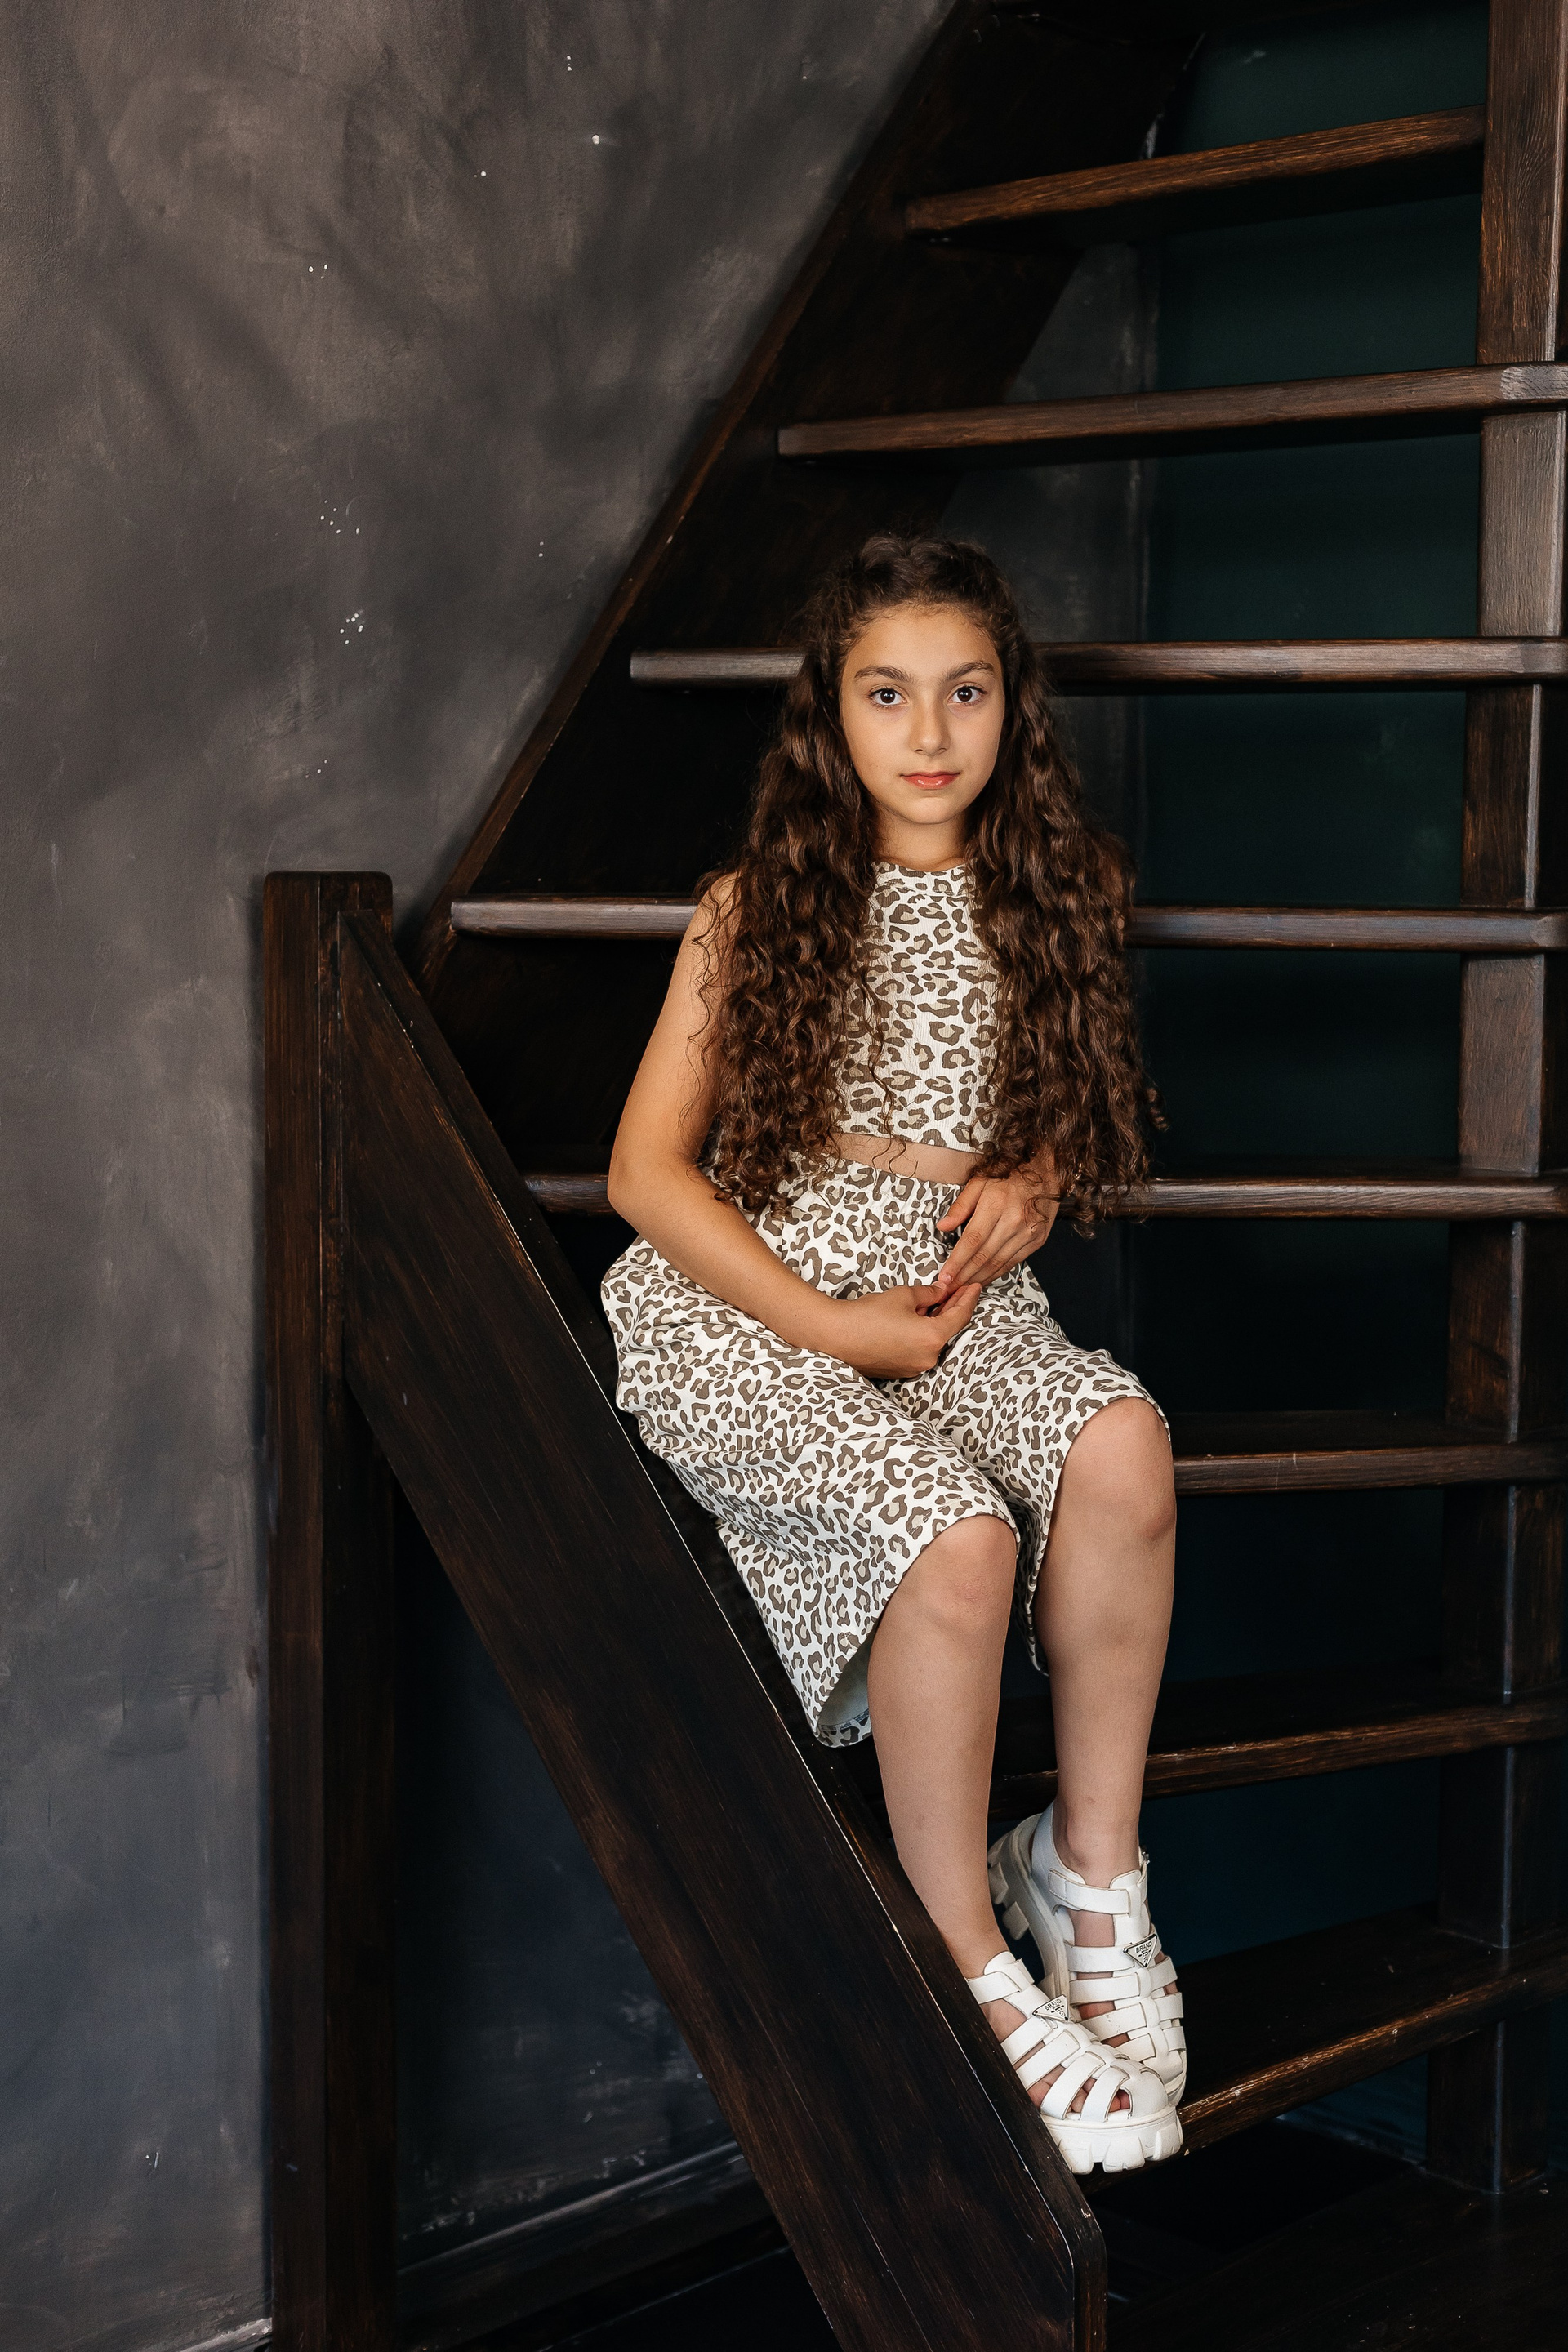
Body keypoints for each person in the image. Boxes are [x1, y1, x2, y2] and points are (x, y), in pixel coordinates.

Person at [602, 533, 1184, 2174]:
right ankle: (966, 1966)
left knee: (1124, 1447)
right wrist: (826, 1325)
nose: (928, 733)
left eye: (964, 692)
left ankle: (1085, 1880)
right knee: (958, 1536)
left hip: (949, 1297)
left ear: (1013, 707)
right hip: (752, 1299)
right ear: (831, 713)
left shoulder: (1063, 892)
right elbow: (644, 1175)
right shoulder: (760, 907)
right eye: (885, 694)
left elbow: (1060, 1112)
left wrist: (1037, 1180)